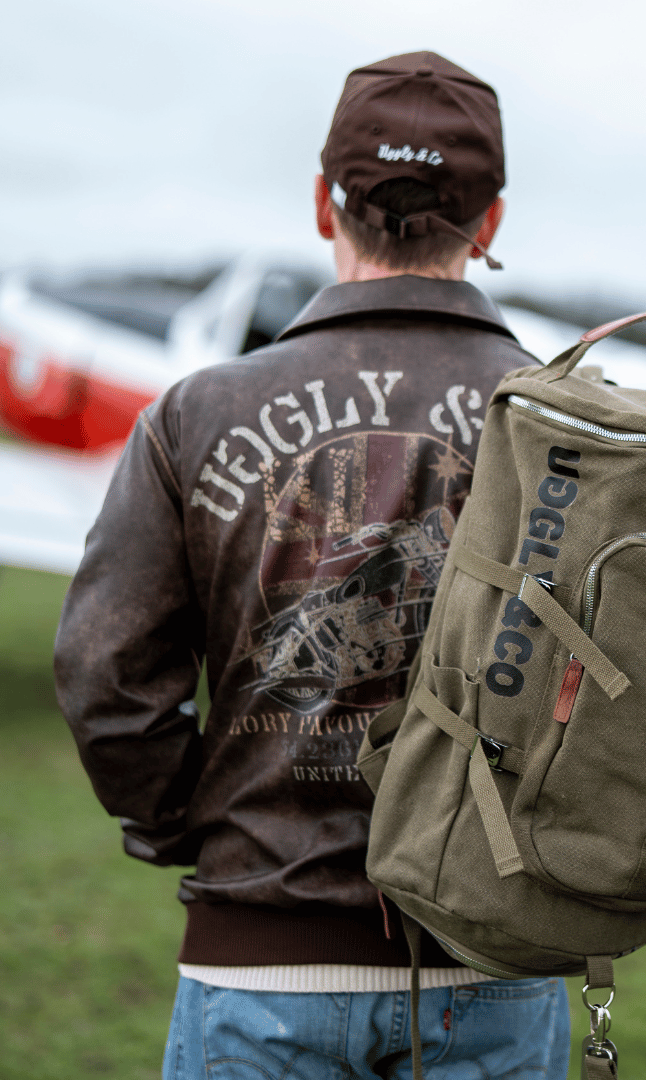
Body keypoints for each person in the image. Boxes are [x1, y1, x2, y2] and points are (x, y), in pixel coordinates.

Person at [54, 50, 571, 1079]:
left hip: (258, 962)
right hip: (496, 957)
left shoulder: (194, 413)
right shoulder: (574, 423)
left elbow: (106, 676)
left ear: (323, 203)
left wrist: (197, 827)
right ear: (491, 223)